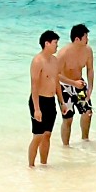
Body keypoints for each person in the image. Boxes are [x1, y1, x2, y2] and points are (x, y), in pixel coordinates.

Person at [58, 24, 96, 147]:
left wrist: (90, 87)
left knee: (87, 112)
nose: (88, 39)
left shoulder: (88, 50)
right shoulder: (63, 53)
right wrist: (73, 83)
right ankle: (66, 146)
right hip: (65, 86)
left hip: (80, 84)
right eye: (86, 37)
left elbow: (90, 69)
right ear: (77, 39)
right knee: (68, 118)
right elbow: (55, 74)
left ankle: (85, 140)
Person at [28, 30, 62, 168]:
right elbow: (34, 86)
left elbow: (56, 82)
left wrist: (62, 102)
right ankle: (31, 166)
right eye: (55, 43)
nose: (57, 46)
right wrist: (36, 109)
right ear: (46, 43)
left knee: (47, 135)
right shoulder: (37, 61)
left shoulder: (55, 60)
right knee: (38, 136)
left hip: (50, 101)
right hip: (39, 101)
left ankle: (44, 164)